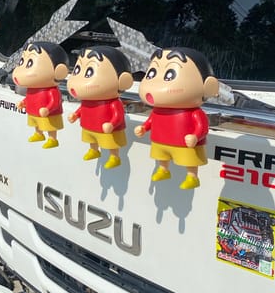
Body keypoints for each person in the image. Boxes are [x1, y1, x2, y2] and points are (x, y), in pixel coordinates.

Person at [135, 47, 219, 189]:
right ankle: (163, 169)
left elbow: (202, 127)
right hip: (160, 140)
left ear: (207, 86)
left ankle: (192, 177)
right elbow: (151, 120)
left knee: (189, 158)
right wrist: (144, 127)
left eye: (169, 75)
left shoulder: (194, 112)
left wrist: (195, 136)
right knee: (161, 155)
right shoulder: (157, 110)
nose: (155, 84)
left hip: (184, 143)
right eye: (151, 73)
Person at [67, 46, 133, 169]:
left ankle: (114, 157)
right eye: (77, 70)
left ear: (123, 81)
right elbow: (82, 109)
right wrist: (76, 115)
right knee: (91, 138)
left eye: (89, 72)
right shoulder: (88, 100)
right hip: (89, 125)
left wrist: (112, 124)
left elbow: (118, 115)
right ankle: (94, 150)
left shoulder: (113, 103)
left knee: (111, 142)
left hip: (107, 128)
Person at [13, 41, 70, 148]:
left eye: (30, 64)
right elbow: (29, 98)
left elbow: (55, 102)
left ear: (59, 71)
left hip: (48, 113)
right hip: (34, 111)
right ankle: (38, 134)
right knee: (36, 123)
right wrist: (23, 102)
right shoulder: (32, 88)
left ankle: (52, 139)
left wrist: (48, 109)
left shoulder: (52, 90)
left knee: (50, 125)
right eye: (22, 62)